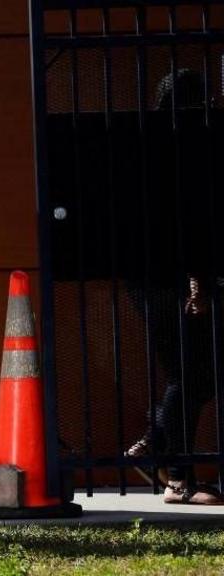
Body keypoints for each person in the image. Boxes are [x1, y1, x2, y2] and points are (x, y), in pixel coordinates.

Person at [125, 69, 223, 504]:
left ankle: (158, 448)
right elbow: (191, 223)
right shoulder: (188, 149)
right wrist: (198, 285)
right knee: (194, 372)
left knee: (193, 374)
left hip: (145, 277)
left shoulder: (142, 147)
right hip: (173, 279)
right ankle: (175, 472)